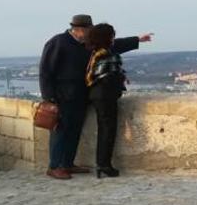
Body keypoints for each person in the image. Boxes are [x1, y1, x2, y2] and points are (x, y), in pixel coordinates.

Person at [38, 15, 152, 180]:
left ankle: (68, 164)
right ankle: (54, 166)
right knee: (60, 131)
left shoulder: (87, 44)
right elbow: (45, 71)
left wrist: (137, 40)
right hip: (62, 96)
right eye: (88, 30)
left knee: (75, 131)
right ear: (78, 29)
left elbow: (111, 44)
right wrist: (48, 97)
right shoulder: (58, 42)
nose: (89, 34)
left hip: (81, 96)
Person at [85, 23, 131, 178]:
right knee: (108, 131)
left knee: (104, 130)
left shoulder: (95, 53)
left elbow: (98, 75)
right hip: (106, 96)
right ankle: (104, 165)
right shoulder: (109, 55)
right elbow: (110, 77)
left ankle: (101, 164)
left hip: (97, 95)